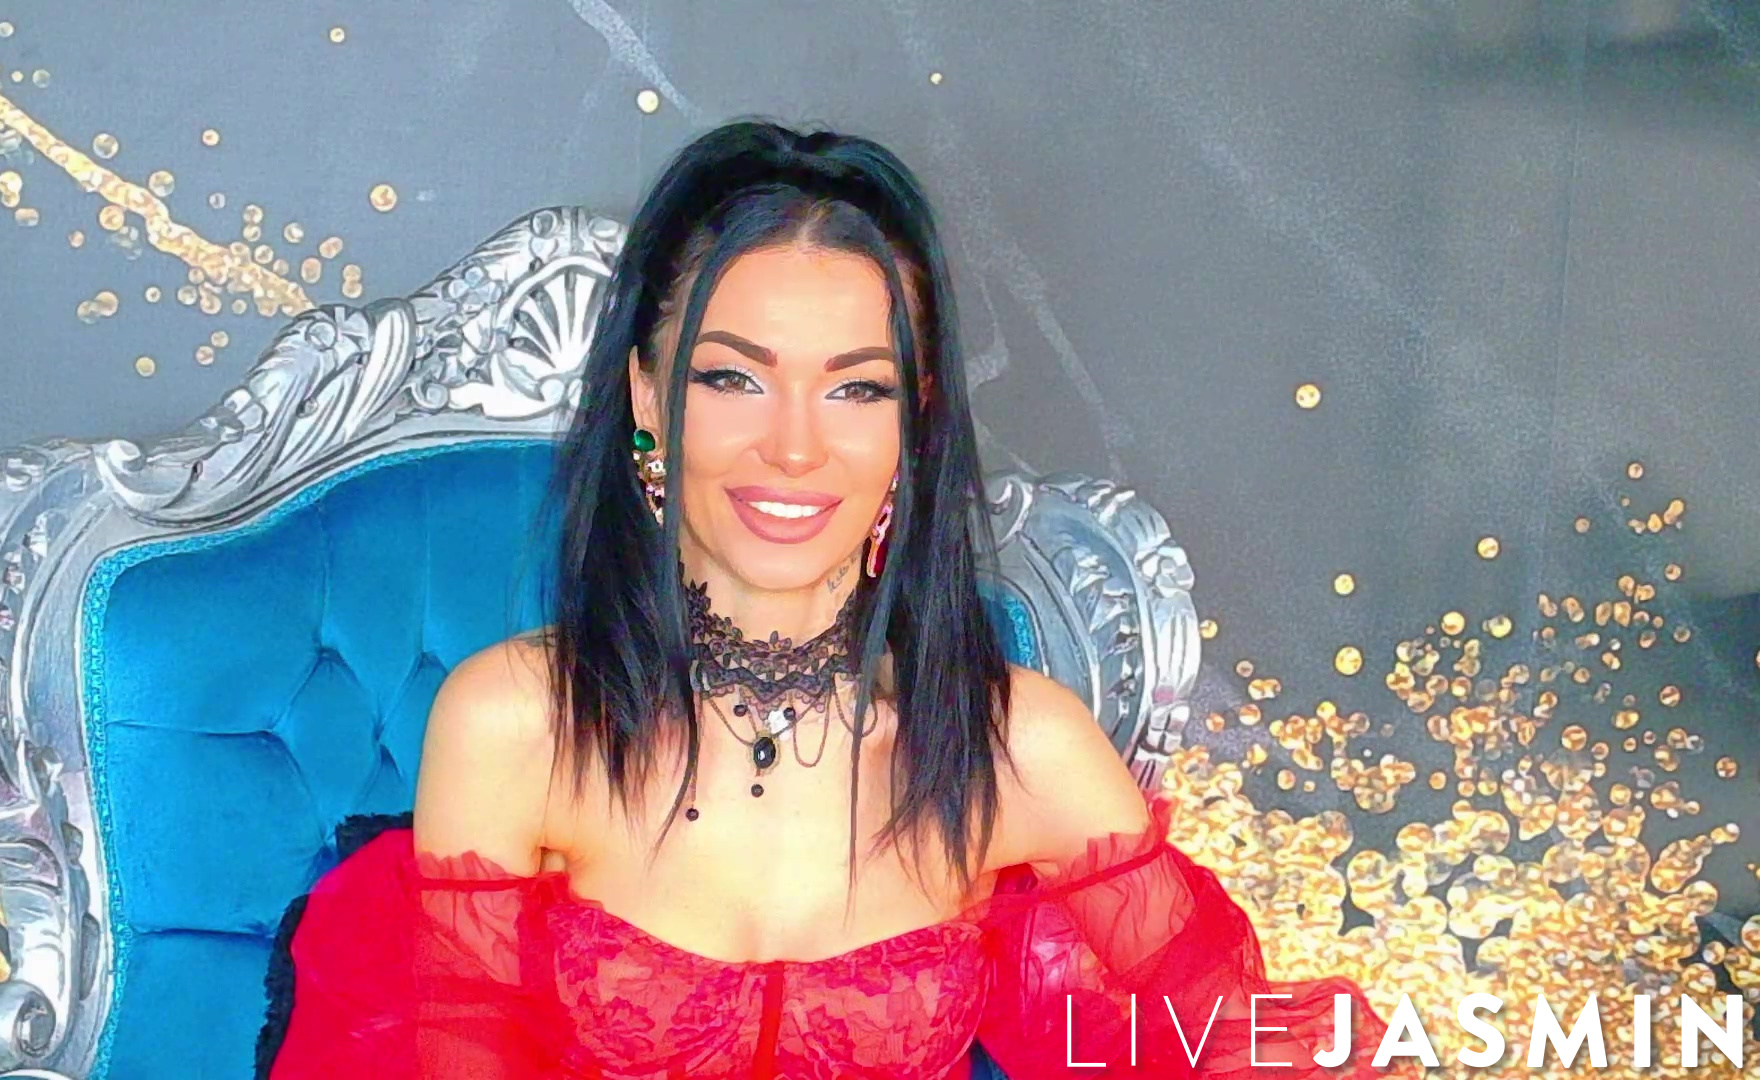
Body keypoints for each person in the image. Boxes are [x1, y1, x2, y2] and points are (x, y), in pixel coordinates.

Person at [258, 119, 1398, 1079]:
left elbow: (1232, 1042)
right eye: (732, 377)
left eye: (856, 389)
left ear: (917, 420)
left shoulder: (1023, 745)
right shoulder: (515, 724)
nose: (794, 447)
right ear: (647, 395)